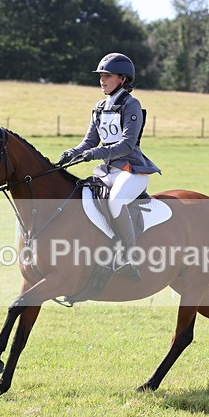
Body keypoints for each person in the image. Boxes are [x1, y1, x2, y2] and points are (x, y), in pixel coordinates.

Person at [56, 53, 161, 281]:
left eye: (108, 76)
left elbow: (126, 144)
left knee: (115, 201)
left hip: (132, 170)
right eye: (101, 76)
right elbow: (89, 141)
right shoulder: (99, 107)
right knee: (84, 198)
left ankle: (130, 258)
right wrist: (72, 153)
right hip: (108, 172)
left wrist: (95, 153)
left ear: (122, 79)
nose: (102, 80)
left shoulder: (131, 105)